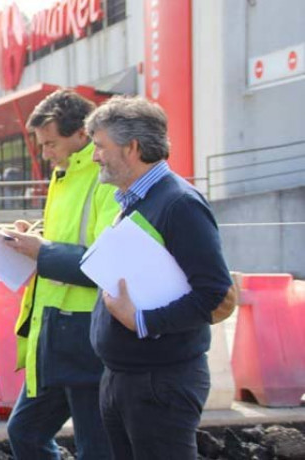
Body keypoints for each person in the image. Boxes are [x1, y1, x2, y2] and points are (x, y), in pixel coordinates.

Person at [87, 96, 236, 459]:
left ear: (132, 147)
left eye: (100, 146)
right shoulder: (137, 201)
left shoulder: (179, 203)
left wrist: (142, 320)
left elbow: (215, 295)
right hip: (127, 378)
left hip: (160, 382)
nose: (94, 157)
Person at [2, 90, 118, 459]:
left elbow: (107, 261)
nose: (45, 153)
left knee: (95, 447)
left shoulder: (104, 181)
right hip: (51, 331)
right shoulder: (63, 176)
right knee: (24, 433)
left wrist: (43, 251)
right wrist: (35, 237)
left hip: (87, 334)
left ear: (81, 135)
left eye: (51, 143)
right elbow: (69, 236)